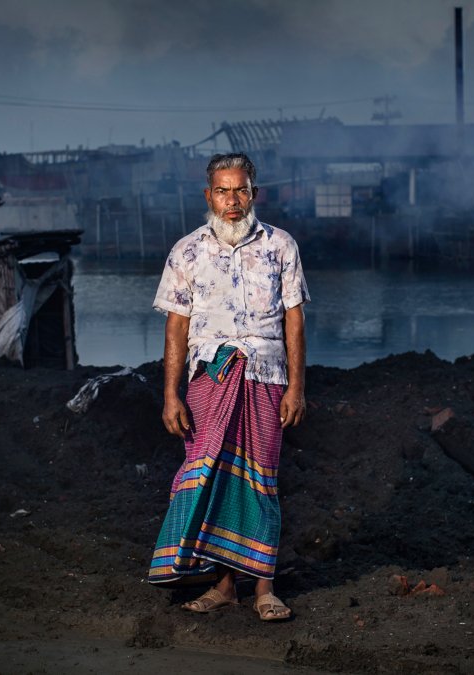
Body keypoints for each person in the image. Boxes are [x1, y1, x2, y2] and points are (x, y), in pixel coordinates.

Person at [148, 153, 309, 622]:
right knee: (211, 474)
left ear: (253, 193)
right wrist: (170, 394)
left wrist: (297, 387)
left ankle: (264, 588)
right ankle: (223, 587)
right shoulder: (187, 251)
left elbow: (294, 319)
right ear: (208, 196)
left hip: (265, 376)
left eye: (240, 190)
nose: (232, 200)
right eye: (222, 190)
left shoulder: (281, 246)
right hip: (208, 379)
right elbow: (176, 328)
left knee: (260, 479)